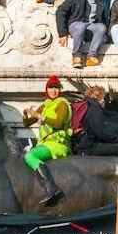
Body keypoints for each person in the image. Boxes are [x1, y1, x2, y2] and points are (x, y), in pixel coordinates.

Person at [23, 75, 72, 206]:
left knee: (30, 155)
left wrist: (39, 116)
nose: (53, 91)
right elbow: (27, 123)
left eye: (56, 87)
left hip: (58, 144)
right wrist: (27, 114)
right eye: (51, 87)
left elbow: (58, 122)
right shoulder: (45, 105)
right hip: (45, 144)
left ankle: (51, 187)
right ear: (47, 89)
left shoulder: (62, 103)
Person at [57, 0, 109, 69]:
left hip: (91, 27)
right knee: (81, 26)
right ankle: (76, 56)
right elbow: (61, 12)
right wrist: (62, 33)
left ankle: (92, 56)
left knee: (101, 27)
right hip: (76, 25)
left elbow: (104, 19)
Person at [72, 86, 118, 156]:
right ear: (101, 98)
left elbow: (106, 113)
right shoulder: (95, 111)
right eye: (104, 98)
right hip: (88, 147)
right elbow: (102, 133)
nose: (104, 101)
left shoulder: (87, 105)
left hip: (81, 143)